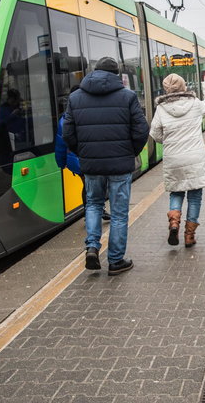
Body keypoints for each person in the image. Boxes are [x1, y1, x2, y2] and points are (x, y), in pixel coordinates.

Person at [63, 57, 149, 275]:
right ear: (117, 74)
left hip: (91, 165)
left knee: (93, 204)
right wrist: (131, 152)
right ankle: (115, 260)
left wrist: (83, 153)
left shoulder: (75, 97)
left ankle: (92, 246)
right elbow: (141, 130)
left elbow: (68, 134)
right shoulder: (128, 97)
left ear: (94, 72)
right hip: (120, 165)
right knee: (119, 214)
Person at [150, 70, 205, 247]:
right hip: (195, 157)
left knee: (176, 192)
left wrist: (170, 140)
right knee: (195, 196)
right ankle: (189, 235)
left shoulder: (161, 109)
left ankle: (174, 222)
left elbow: (155, 134)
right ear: (183, 86)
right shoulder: (194, 104)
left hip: (173, 158)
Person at [55, 85, 110, 222]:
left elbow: (61, 144)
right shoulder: (88, 114)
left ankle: (93, 211)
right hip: (86, 159)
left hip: (76, 160)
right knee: (90, 187)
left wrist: (62, 162)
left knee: (88, 185)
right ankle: (92, 213)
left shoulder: (65, 118)